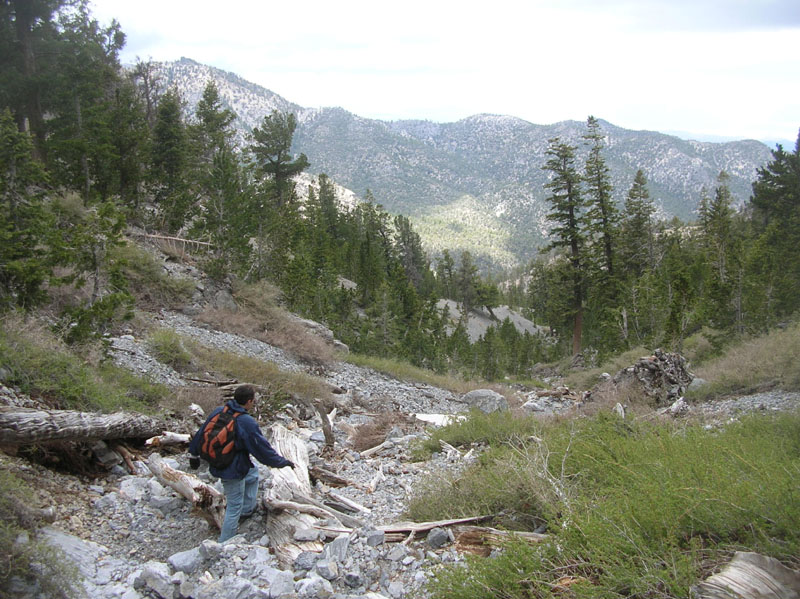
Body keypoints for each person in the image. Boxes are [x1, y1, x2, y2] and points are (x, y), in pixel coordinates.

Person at [189, 384, 295, 543]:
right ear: (249, 401)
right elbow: (262, 450)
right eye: (253, 401)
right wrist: (283, 463)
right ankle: (225, 543)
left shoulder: (219, 411)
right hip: (231, 468)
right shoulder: (246, 422)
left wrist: (194, 454)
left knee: (253, 474)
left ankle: (248, 509)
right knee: (233, 506)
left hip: (225, 461)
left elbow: (201, 432)